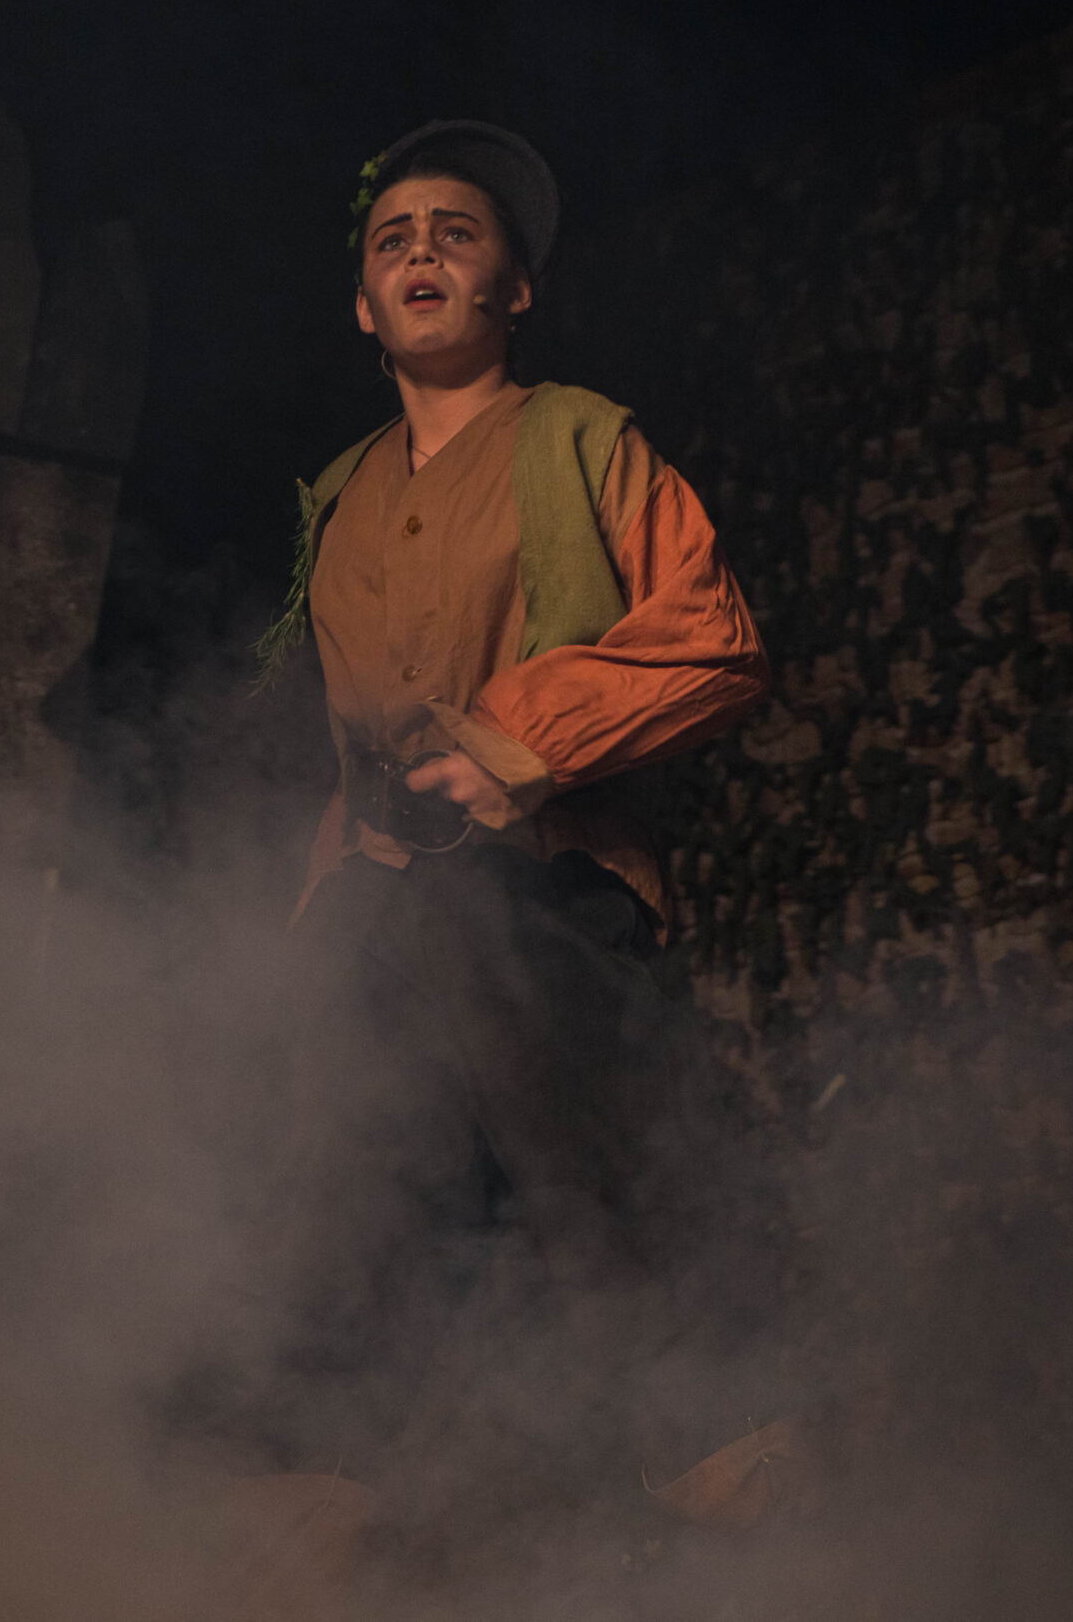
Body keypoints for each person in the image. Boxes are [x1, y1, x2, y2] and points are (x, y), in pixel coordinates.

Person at [228, 119, 795, 1607]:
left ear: (515, 289)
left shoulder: (583, 439)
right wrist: (311, 918)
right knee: (333, 1163)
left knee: (555, 1091)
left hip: (549, 884)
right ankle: (323, 1489)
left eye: (457, 233)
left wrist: (512, 742)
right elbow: (342, 748)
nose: (421, 251)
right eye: (393, 239)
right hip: (382, 900)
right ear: (363, 305)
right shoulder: (338, 496)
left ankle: (712, 1433)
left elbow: (714, 640)